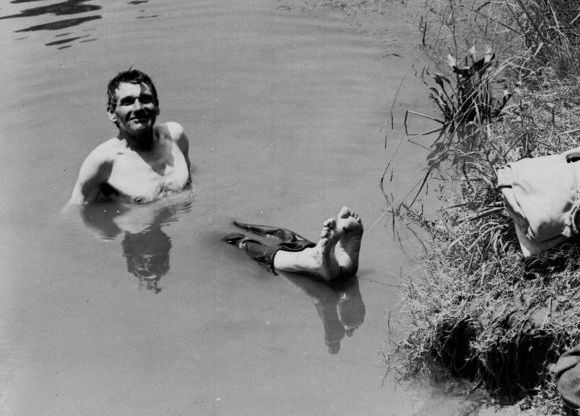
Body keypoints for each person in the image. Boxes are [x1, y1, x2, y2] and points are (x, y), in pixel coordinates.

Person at [68, 69, 191, 205]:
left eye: (145, 99)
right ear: (111, 113)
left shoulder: (175, 136)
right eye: (128, 102)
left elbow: (190, 185)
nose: (138, 108)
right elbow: (76, 211)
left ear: (156, 106)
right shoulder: (103, 162)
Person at [222, 207, 363, 282]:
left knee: (240, 242)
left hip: (221, 233)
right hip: (312, 249)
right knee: (288, 236)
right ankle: (333, 263)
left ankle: (315, 259)